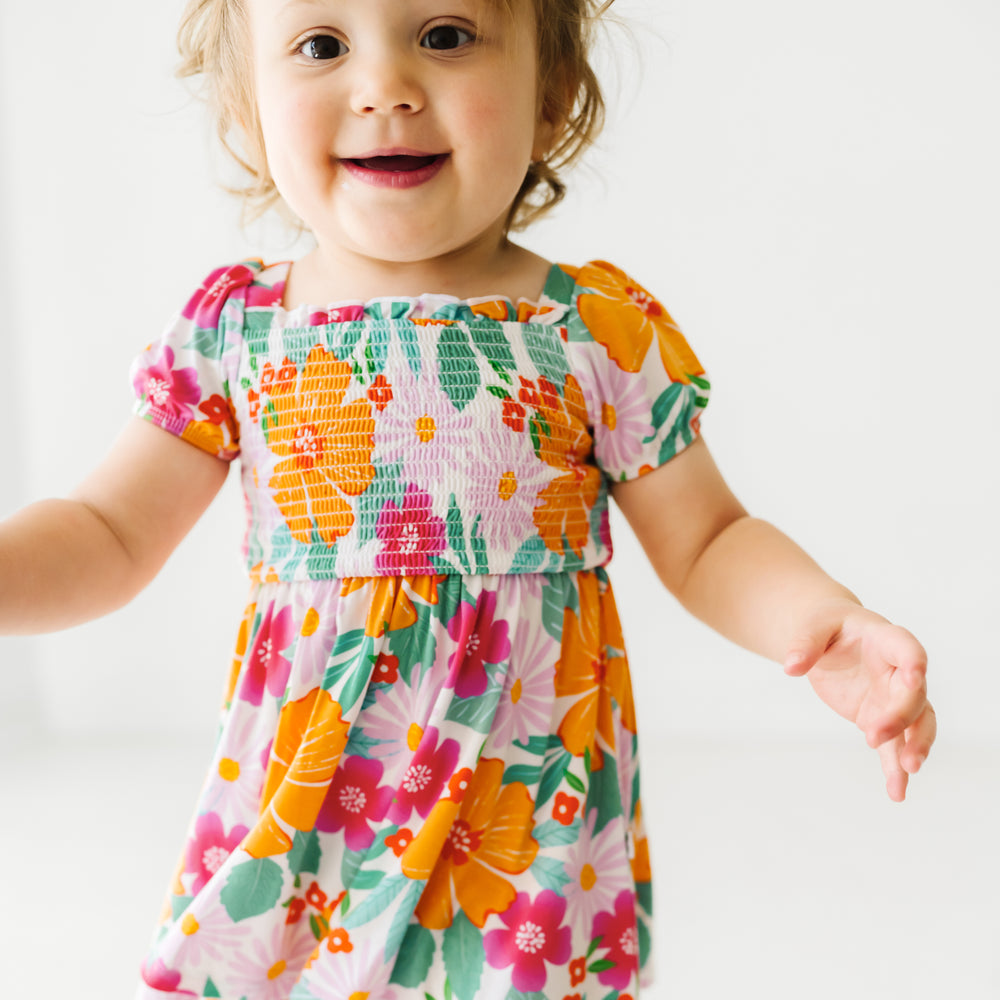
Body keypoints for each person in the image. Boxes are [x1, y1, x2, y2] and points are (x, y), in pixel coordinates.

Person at [0, 0, 937, 997]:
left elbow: (708, 538)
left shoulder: (591, 329)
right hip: (314, 812)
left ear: (553, 94)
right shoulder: (241, 331)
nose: (384, 86)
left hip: (525, 827)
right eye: (322, 45)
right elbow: (106, 533)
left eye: (445, 35)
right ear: (246, 110)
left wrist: (821, 619)